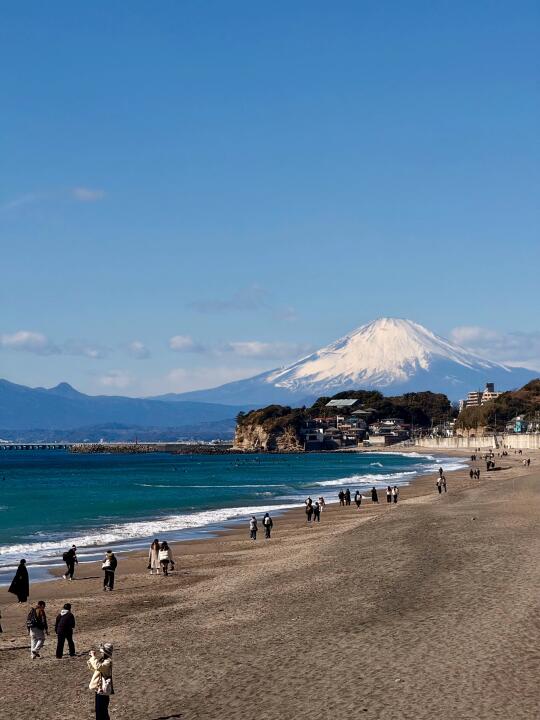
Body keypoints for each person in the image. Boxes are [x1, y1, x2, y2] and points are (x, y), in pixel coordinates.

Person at [88, 642, 114, 720]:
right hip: (99, 688)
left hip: (103, 689)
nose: (101, 652)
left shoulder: (107, 662)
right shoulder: (103, 660)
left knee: (102, 711)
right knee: (99, 710)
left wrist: (93, 657)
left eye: (102, 651)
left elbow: (98, 667)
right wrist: (91, 660)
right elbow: (95, 668)